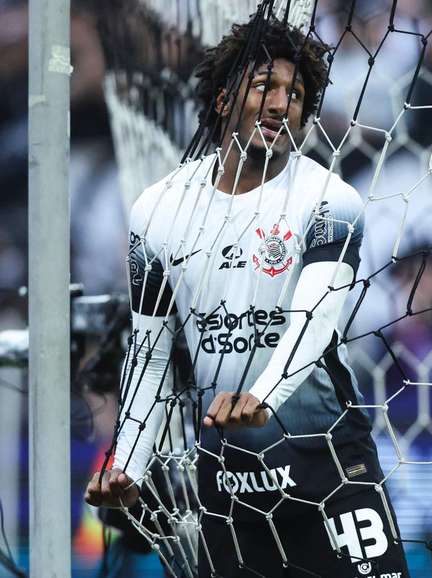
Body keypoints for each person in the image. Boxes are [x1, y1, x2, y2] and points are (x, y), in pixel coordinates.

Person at [84, 15, 409, 578]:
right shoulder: (158, 212)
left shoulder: (330, 199)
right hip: (228, 479)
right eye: (266, 87)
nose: (283, 104)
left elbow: (314, 319)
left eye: (297, 94)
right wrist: (128, 468)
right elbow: (153, 351)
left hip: (328, 466)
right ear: (222, 98)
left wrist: (263, 397)